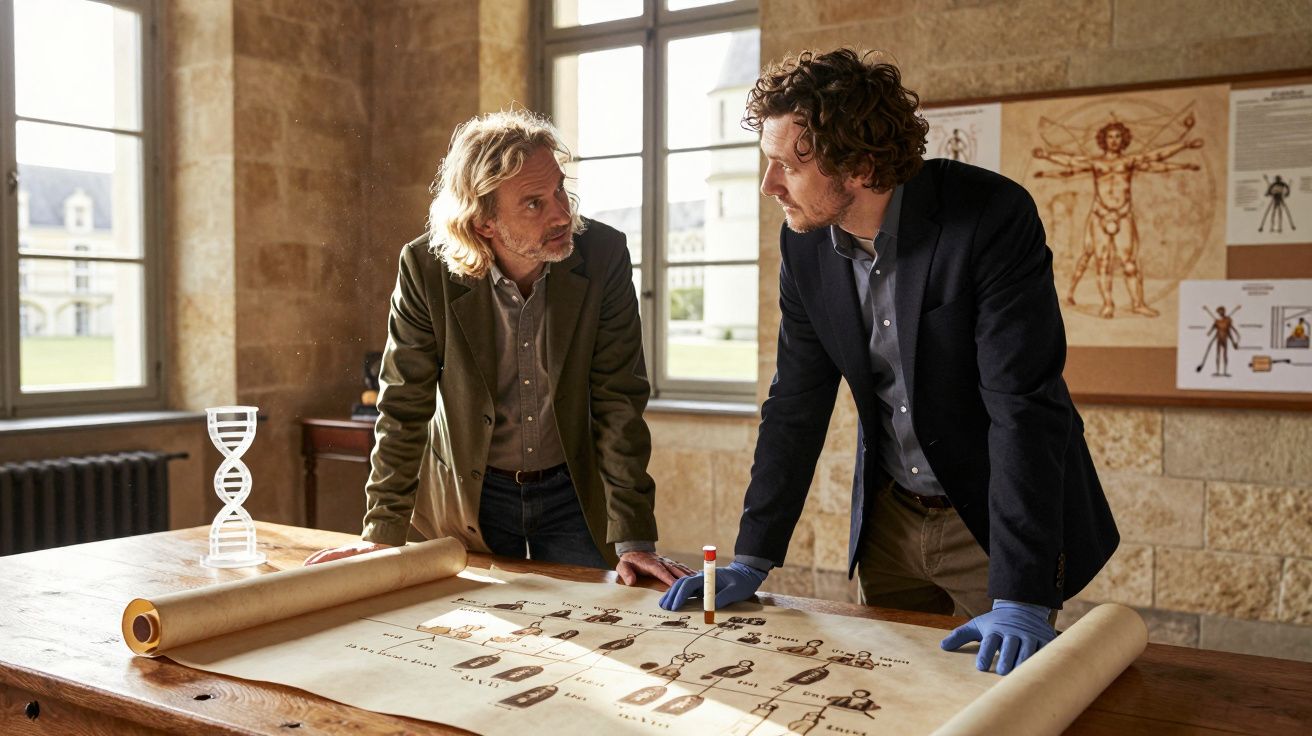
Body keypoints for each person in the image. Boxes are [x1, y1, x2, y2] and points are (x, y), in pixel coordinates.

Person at [659, 49, 1118, 676]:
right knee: (892, 693)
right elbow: (795, 401)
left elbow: (1022, 405)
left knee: (1002, 703)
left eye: (788, 165)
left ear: (859, 166)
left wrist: (1020, 594)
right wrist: (752, 557)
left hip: (990, 522)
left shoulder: (988, 217)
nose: (768, 186)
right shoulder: (806, 245)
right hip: (890, 521)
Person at [307, 110, 691, 587]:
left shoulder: (603, 254)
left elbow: (618, 401)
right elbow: (405, 406)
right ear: (483, 222)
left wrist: (634, 538)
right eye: (534, 203)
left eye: (558, 190)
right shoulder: (425, 269)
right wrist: (382, 532)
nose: (561, 214)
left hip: (572, 494)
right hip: (469, 496)